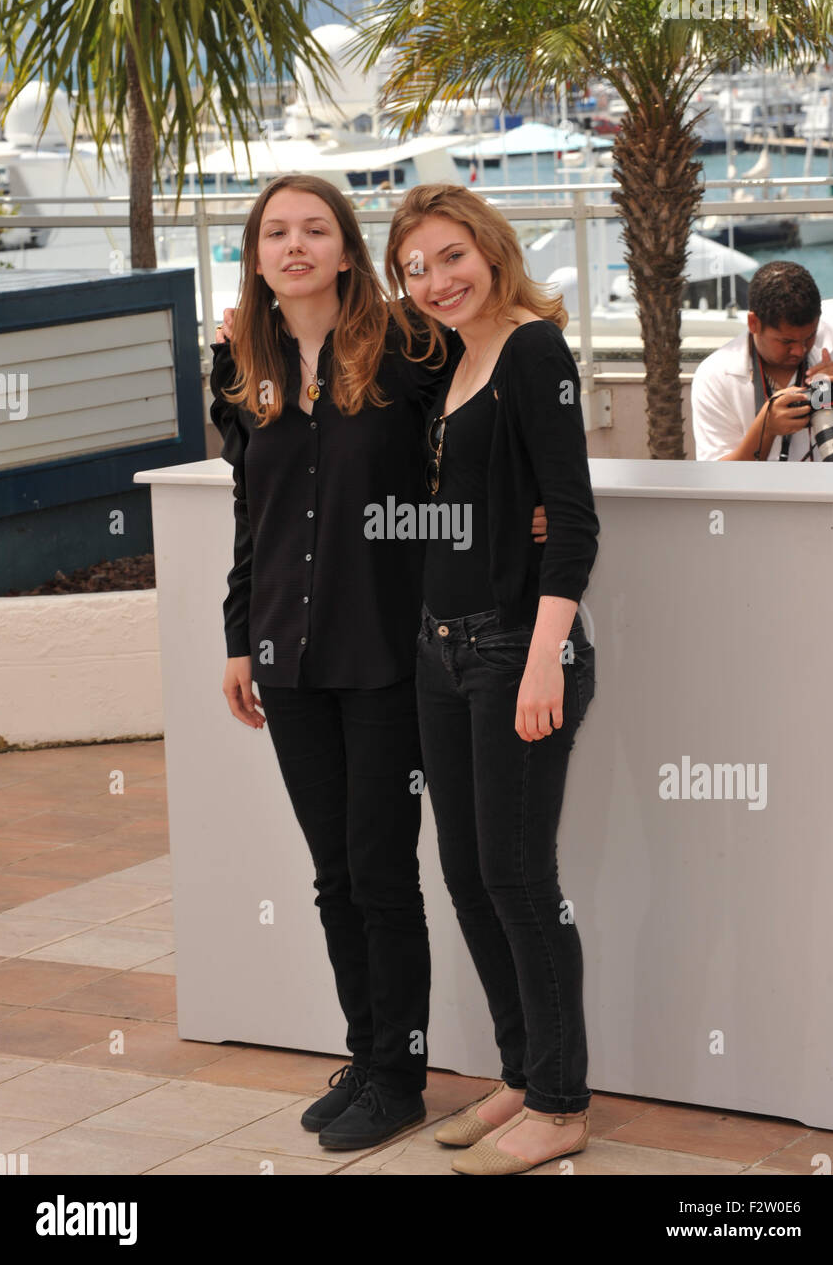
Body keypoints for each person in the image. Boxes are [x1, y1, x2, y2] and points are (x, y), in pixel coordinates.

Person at [209, 173, 548, 1153]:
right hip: (285, 652)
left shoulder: (408, 349)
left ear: (349, 252)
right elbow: (251, 513)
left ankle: (400, 1076)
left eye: (316, 228)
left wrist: (520, 517)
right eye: (276, 231)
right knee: (330, 875)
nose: (296, 244)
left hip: (389, 652)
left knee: (380, 871)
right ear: (258, 255)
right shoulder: (241, 367)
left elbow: (487, 415)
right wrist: (238, 634)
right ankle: (365, 1055)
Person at [385, 183, 600, 1175]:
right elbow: (457, 511)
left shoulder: (531, 349)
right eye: (415, 267)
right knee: (467, 874)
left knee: (519, 879)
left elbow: (575, 518)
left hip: (517, 648)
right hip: (440, 650)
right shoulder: (451, 357)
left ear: (490, 246)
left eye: (449, 257)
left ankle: (559, 1104)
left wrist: (545, 651)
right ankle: (521, 1071)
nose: (435, 280)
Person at [691, 261, 833, 460]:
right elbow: (716, 480)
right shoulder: (716, 376)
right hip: (758, 492)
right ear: (753, 323)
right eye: (786, 341)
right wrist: (765, 429)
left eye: (810, 336)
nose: (799, 350)